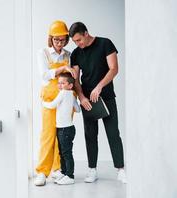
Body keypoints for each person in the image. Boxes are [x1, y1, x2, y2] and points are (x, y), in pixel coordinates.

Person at [69, 22, 127, 183]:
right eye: (75, 41)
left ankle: (121, 169)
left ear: (86, 33)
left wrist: (99, 87)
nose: (78, 44)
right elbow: (76, 80)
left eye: (79, 40)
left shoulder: (105, 44)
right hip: (87, 100)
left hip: (106, 96)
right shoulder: (76, 53)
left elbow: (114, 68)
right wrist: (81, 96)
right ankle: (92, 170)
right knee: (90, 135)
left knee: (113, 133)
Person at [34, 20, 77, 186]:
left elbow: (72, 77)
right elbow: (44, 75)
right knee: (48, 135)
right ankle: (42, 172)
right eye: (56, 40)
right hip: (50, 100)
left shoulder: (68, 54)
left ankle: (57, 170)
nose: (59, 43)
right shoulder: (43, 53)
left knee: (61, 136)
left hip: (65, 100)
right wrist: (62, 69)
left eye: (62, 40)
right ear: (50, 39)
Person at [42, 73, 81, 185]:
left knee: (66, 153)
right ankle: (64, 173)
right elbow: (78, 110)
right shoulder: (72, 95)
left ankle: (70, 176)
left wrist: (43, 102)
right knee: (64, 152)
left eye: (63, 83)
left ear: (70, 85)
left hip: (64, 129)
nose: (60, 85)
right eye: (59, 83)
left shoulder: (63, 93)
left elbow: (52, 105)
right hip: (68, 128)